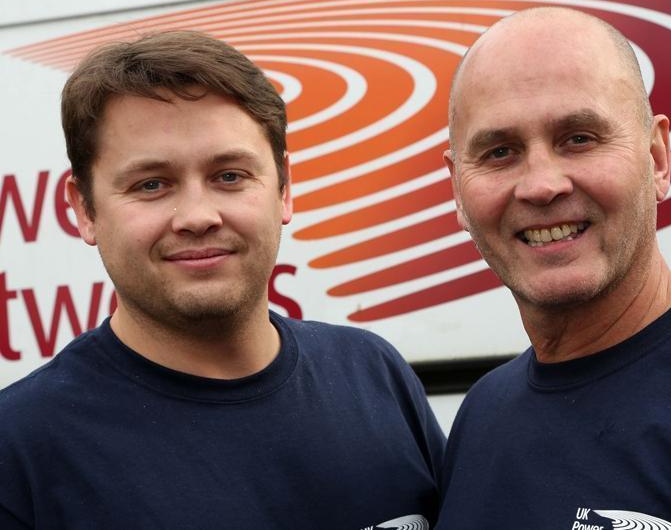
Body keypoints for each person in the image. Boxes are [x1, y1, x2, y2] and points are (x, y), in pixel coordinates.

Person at [0, 31, 444, 529]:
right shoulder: (19, 450)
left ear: (284, 189)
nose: (197, 216)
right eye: (151, 184)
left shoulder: (373, 373)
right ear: (84, 209)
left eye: (229, 176)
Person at [437, 7, 671, 529]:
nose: (541, 186)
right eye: (499, 152)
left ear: (657, 157)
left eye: (579, 138)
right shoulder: (483, 413)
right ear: (456, 189)